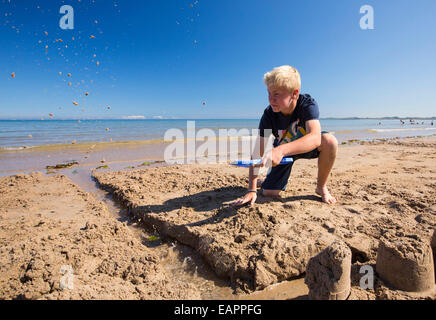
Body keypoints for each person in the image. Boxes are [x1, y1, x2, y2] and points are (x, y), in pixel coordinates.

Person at [231, 65, 338, 206]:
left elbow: (315, 137)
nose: (271, 99)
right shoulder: (269, 115)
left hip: (303, 147)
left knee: (329, 141)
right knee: (269, 192)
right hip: (283, 154)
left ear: (294, 93)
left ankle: (321, 187)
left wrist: (280, 150)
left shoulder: (307, 104)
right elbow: (258, 151)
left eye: (276, 94)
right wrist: (251, 189)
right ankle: (266, 181)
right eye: (269, 94)